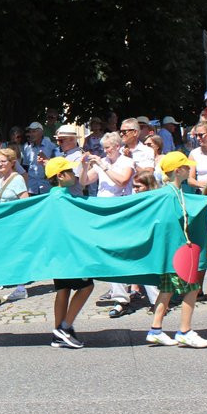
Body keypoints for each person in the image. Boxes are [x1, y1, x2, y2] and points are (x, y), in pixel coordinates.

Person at [145, 152, 207, 348]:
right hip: (176, 253)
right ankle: (185, 331)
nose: (191, 168)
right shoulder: (169, 194)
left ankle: (155, 330)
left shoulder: (175, 192)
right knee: (192, 288)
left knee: (166, 290)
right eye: (186, 166)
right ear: (178, 171)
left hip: (171, 254)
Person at [79, 132, 137, 315]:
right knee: (111, 253)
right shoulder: (102, 163)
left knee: (129, 253)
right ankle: (120, 298)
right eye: (103, 148)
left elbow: (122, 181)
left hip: (122, 211)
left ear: (117, 147)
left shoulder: (126, 162)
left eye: (108, 148)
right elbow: (84, 182)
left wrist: (103, 165)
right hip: (104, 211)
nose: (105, 151)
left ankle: (152, 292)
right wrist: (83, 165)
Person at [44, 157, 94, 349]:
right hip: (70, 254)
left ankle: (58, 333)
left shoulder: (52, 196)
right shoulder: (64, 199)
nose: (74, 174)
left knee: (62, 290)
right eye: (70, 172)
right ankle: (64, 328)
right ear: (60, 176)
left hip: (57, 254)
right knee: (87, 287)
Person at [0, 147, 30, 301]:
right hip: (3, 223)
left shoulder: (16, 178)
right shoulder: (1, 179)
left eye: (4, 161)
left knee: (15, 254)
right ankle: (1, 283)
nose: (0, 164)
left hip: (15, 223)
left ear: (12, 163)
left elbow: (24, 201)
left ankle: (20, 287)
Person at [20, 121, 57, 195]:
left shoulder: (51, 146)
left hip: (47, 187)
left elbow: (56, 166)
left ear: (41, 133)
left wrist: (47, 160)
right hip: (32, 187)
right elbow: (26, 167)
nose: (31, 134)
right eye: (30, 132)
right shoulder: (27, 148)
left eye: (34, 131)